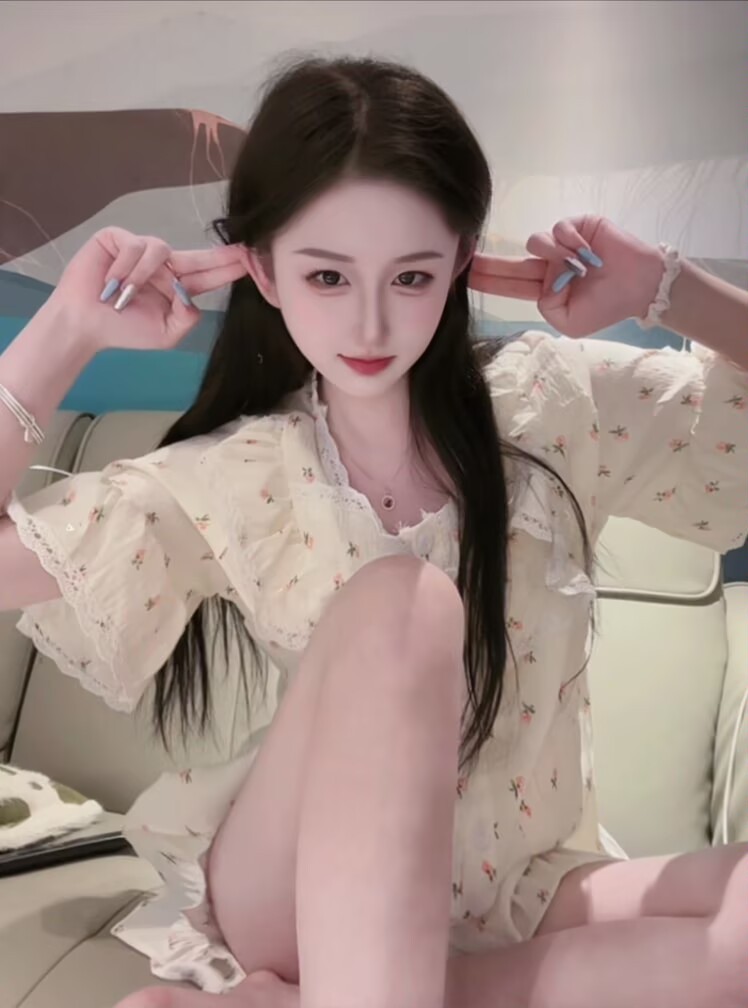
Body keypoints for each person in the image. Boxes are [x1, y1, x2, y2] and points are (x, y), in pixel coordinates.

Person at [1, 53, 747, 1008]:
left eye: (411, 276)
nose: (368, 323)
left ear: (462, 262)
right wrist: (66, 329)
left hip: (519, 889)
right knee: (403, 601)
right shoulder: (242, 475)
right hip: (293, 889)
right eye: (326, 274)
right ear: (262, 269)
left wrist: (664, 288)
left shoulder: (558, 408)